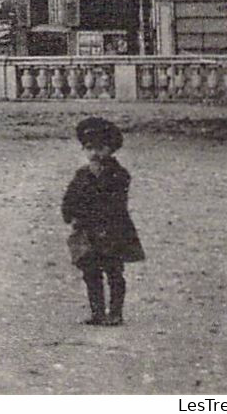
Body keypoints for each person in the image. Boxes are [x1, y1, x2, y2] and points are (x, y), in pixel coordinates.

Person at [62, 117, 145, 326]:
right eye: (89, 148)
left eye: (100, 148)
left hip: (113, 230)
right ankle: (97, 311)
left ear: (111, 149)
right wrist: (69, 214)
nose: (95, 154)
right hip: (87, 231)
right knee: (91, 273)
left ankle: (116, 312)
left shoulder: (119, 175)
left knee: (114, 271)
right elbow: (70, 197)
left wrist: (102, 221)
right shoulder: (81, 175)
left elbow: (117, 204)